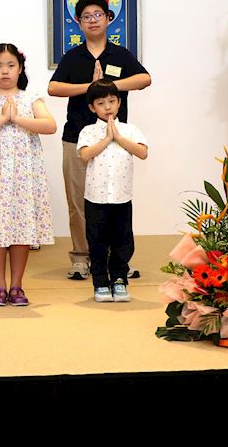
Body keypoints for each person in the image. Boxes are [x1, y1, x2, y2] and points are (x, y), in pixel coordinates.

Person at [48, 0, 151, 281]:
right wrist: (90, 87)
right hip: (77, 139)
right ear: (78, 23)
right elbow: (54, 88)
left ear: (108, 19)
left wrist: (109, 86)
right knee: (79, 202)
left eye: (98, 15)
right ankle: (82, 258)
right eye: (86, 17)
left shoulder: (120, 54)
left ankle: (116, 261)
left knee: (114, 200)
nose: (92, 20)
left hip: (115, 139)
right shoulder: (74, 56)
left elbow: (144, 79)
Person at [0, 43, 56, 306]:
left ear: (20, 68)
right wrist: (2, 119)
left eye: (11, 65)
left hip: (23, 175)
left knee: (21, 228)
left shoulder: (31, 98)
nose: (5, 71)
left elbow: (49, 125)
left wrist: (16, 119)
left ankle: (17, 286)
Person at [77, 80, 148, 303]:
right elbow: (85, 155)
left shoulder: (129, 129)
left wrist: (118, 138)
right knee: (97, 242)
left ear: (119, 103)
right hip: (95, 198)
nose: (107, 107)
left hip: (121, 198)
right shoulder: (88, 131)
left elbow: (143, 152)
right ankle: (100, 283)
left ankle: (119, 280)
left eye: (111, 101)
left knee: (123, 241)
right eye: (101, 103)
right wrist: (107, 139)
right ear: (92, 107)